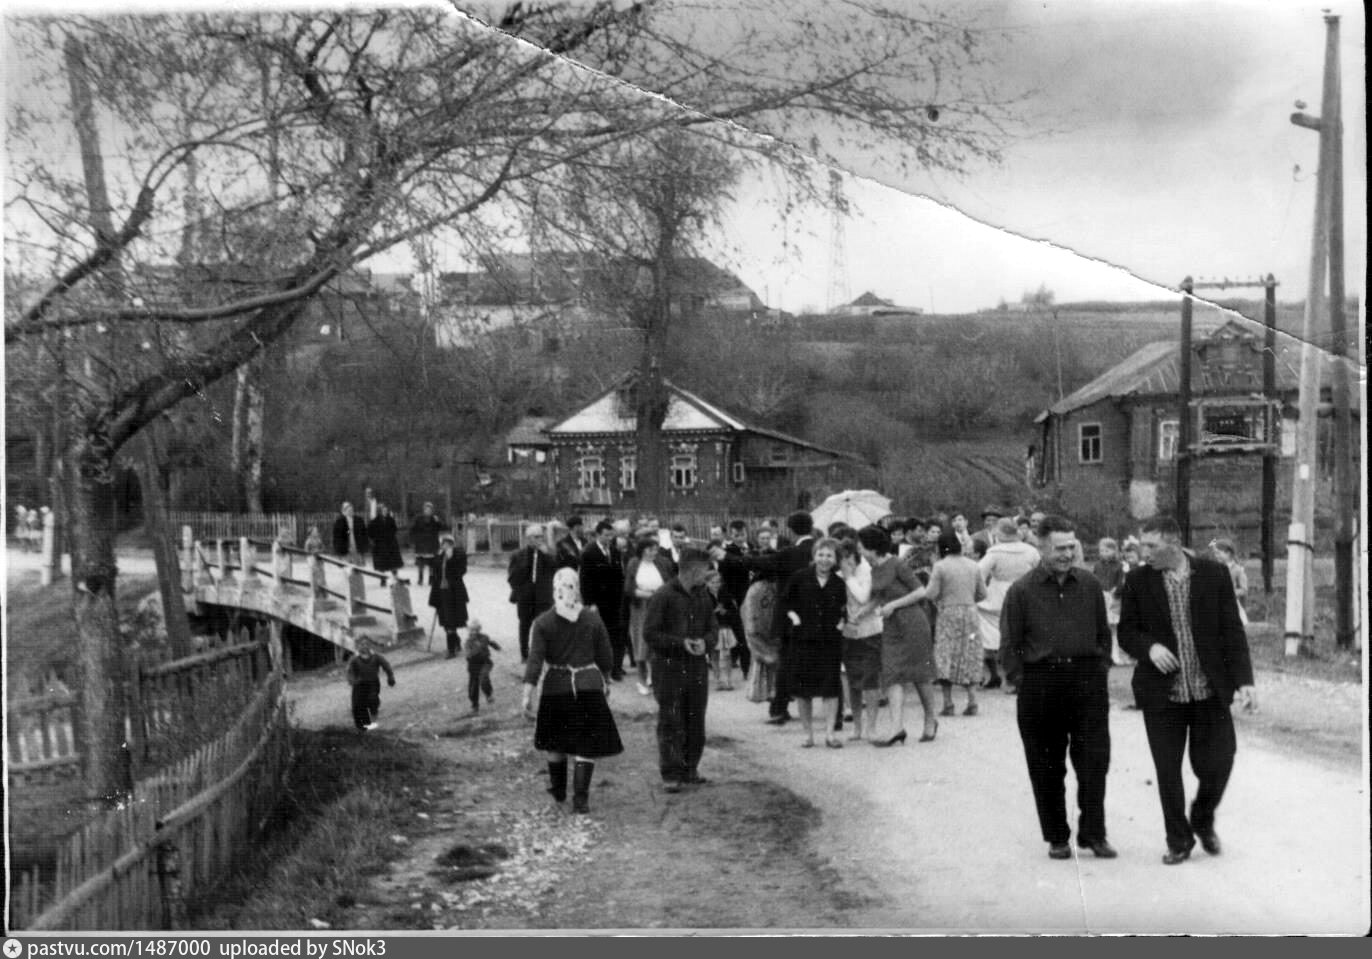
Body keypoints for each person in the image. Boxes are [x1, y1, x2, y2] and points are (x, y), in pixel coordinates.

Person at [1118, 516, 1256, 865]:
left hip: (1209, 690)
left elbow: (1232, 633)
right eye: (1141, 546)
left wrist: (1245, 681)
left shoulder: (1213, 574)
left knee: (1220, 762)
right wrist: (1149, 647)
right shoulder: (1137, 580)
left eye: (1151, 546)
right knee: (1167, 770)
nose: (1143, 553)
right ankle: (1178, 840)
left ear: (1175, 542)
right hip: (1163, 694)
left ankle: (1203, 817)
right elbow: (1126, 632)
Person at [1000, 514, 1116, 861]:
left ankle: (1094, 833)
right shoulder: (1022, 591)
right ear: (1041, 547)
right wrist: (1023, 681)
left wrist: (1099, 669)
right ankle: (1057, 837)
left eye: (1071, 547)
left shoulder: (1090, 584)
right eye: (1060, 548)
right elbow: (1011, 644)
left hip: (1086, 682)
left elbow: (1102, 634)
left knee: (1095, 761)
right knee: (1047, 765)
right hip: (1041, 684)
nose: (1067, 554)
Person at [521, 568, 623, 813]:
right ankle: (581, 799)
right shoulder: (592, 618)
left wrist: (528, 692)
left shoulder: (542, 622)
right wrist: (606, 679)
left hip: (556, 688)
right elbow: (606, 655)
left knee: (555, 743)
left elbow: (535, 660)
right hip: (588, 687)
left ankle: (558, 793)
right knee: (586, 744)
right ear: (577, 588)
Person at [643, 548, 717, 793]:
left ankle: (690, 768)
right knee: (671, 720)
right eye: (705, 570)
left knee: (696, 719)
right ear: (693, 569)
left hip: (696, 666)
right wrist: (679, 643)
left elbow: (712, 630)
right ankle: (671, 773)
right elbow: (650, 633)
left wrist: (705, 642)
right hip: (668, 667)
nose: (707, 576)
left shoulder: (703, 596)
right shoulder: (663, 596)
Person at [863, 525, 938, 745]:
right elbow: (879, 596)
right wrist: (863, 611)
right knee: (892, 673)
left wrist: (893, 605)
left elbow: (920, 591)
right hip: (892, 625)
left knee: (920, 673)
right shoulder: (873, 567)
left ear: (872, 547)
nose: (860, 551)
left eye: (862, 547)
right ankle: (897, 727)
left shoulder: (896, 564)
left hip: (913, 621)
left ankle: (930, 719)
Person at [779, 539, 848, 748]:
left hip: (829, 641)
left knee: (830, 688)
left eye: (829, 556)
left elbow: (845, 609)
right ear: (814, 555)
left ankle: (829, 734)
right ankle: (808, 734)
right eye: (821, 554)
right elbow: (784, 602)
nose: (824, 559)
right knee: (803, 690)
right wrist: (794, 618)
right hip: (803, 640)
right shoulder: (800, 578)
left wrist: (842, 622)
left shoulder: (838, 583)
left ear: (835, 559)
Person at [919, 530, 986, 717]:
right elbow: (983, 593)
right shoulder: (973, 565)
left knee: (945, 654)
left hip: (948, 612)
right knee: (970, 653)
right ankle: (972, 699)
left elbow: (930, 594)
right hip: (970, 612)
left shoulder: (940, 566)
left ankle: (948, 702)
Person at [977, 517, 1041, 692]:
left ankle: (1004, 676)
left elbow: (979, 574)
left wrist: (981, 593)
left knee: (999, 635)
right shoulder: (1031, 551)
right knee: (1022, 634)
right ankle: (1017, 676)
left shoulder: (994, 552)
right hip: (1026, 593)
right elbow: (1040, 572)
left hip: (999, 594)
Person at [625, 534, 673, 695]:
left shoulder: (663, 563)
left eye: (655, 549)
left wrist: (660, 596)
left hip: (661, 608)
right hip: (641, 608)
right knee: (641, 643)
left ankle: (657, 677)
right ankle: (641, 679)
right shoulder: (633, 563)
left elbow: (671, 583)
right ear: (643, 550)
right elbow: (629, 588)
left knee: (659, 642)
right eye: (651, 550)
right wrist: (648, 595)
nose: (654, 552)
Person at [580, 519, 628, 680]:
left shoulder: (614, 552)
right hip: (598, 602)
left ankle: (616, 668)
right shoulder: (588, 552)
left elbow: (620, 576)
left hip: (614, 602)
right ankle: (600, 669)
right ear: (598, 535)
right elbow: (585, 581)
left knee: (617, 634)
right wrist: (590, 603)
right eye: (606, 535)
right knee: (600, 635)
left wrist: (621, 598)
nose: (609, 539)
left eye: (611, 536)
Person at [507, 523, 555, 662]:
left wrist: (547, 555)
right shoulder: (518, 555)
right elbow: (512, 577)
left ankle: (543, 653)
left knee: (544, 626)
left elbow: (554, 570)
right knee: (525, 625)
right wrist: (522, 590)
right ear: (528, 539)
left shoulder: (547, 554)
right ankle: (524, 653)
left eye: (541, 536)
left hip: (543, 596)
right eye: (536, 537)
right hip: (525, 597)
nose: (540, 539)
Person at [429, 534, 470, 659]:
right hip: (441, 593)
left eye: (446, 543)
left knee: (452, 620)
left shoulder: (459, 554)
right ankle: (455, 641)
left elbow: (461, 571)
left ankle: (451, 649)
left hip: (454, 593)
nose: (444, 545)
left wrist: (451, 558)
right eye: (442, 543)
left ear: (451, 543)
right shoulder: (438, 556)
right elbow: (434, 572)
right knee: (446, 621)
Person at [1093, 537, 1130, 665]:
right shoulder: (1097, 565)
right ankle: (1104, 655)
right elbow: (1094, 579)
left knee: (1114, 628)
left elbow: (1122, 581)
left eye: (1107, 550)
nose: (1103, 553)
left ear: (1114, 551)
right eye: (1101, 551)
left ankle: (1116, 655)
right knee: (1102, 627)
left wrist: (1116, 591)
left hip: (1114, 599)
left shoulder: (1119, 566)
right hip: (1102, 597)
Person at [346, 639, 395, 731]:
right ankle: (362, 726)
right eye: (361, 644)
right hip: (359, 684)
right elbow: (349, 671)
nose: (364, 646)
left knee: (372, 701)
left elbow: (386, 666)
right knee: (358, 705)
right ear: (357, 646)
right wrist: (352, 681)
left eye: (366, 644)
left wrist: (390, 677)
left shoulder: (376, 657)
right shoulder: (354, 659)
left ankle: (373, 722)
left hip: (373, 683)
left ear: (370, 646)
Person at [705, 569, 742, 691]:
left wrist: (725, 612)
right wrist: (712, 613)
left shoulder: (726, 594)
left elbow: (734, 611)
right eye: (712, 582)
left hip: (725, 627)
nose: (716, 585)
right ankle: (718, 680)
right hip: (712, 629)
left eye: (718, 582)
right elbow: (701, 613)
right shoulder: (703, 596)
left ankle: (728, 680)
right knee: (714, 655)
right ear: (707, 583)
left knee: (727, 654)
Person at [1208, 538, 1250, 626]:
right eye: (1215, 553)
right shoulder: (1216, 568)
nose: (1216, 556)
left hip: (1231, 604)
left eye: (1218, 553)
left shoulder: (1238, 570)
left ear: (1228, 553)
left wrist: (1230, 592)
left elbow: (1244, 590)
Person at [463, 619, 500, 713]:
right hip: (473, 666)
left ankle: (488, 694)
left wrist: (496, 646)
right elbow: (468, 654)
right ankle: (474, 704)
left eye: (476, 630)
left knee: (484, 678)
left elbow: (489, 642)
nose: (474, 632)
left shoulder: (484, 637)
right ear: (469, 631)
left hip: (485, 662)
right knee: (473, 686)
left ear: (479, 629)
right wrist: (471, 653)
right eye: (472, 630)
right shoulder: (468, 642)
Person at [409, 502, 447, 586]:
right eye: (426, 509)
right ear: (424, 510)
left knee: (432, 564)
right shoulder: (418, 518)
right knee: (420, 563)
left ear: (432, 510)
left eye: (429, 509)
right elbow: (413, 530)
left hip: (432, 544)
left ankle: (431, 579)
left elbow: (443, 527)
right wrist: (413, 541)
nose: (428, 511)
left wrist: (438, 521)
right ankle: (420, 578)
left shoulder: (435, 519)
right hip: (421, 544)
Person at [369, 502, 403, 576]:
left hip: (391, 544)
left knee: (393, 563)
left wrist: (390, 536)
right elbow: (371, 532)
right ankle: (382, 578)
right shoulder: (375, 521)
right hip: (380, 545)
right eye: (383, 510)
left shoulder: (390, 519)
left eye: (386, 510)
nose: (385, 512)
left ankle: (395, 577)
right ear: (380, 511)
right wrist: (376, 539)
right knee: (382, 563)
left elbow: (394, 529)